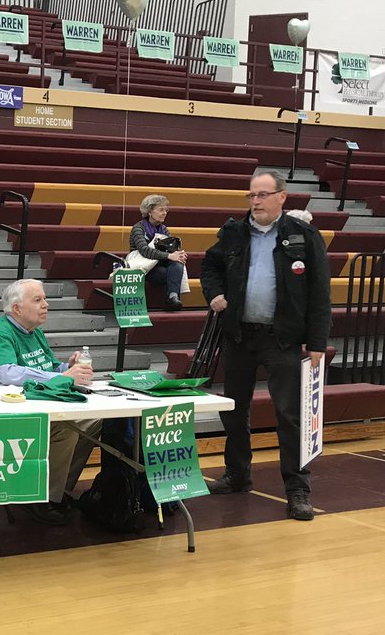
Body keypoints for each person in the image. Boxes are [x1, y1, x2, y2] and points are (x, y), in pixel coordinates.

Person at [200, 169, 332, 521]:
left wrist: (317, 342)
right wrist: (214, 294)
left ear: (281, 197)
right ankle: (237, 474)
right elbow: (209, 265)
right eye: (252, 195)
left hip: (282, 338)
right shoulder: (234, 232)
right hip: (239, 335)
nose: (255, 202)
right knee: (234, 410)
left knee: (290, 415)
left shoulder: (303, 235)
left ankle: (298, 488)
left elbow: (320, 292)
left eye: (262, 195)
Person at [0, 278, 99, 526]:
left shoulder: (35, 332)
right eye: (38, 299)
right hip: (6, 413)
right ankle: (41, 497)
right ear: (17, 308)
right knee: (65, 429)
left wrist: (68, 368)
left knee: (93, 422)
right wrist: (63, 377)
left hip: (41, 405)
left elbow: (50, 368)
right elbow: (7, 373)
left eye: (45, 299)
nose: (46, 304)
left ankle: (58, 490)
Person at [128, 194, 189, 311]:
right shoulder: (138, 228)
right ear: (150, 211)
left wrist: (178, 254)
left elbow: (171, 249)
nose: (164, 213)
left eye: (166, 210)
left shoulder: (164, 229)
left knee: (177, 263)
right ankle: (171, 299)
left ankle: (173, 297)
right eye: (161, 210)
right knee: (170, 274)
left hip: (159, 263)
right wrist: (169, 255)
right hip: (144, 267)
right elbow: (144, 251)